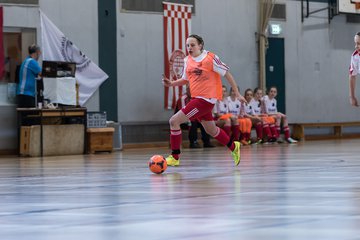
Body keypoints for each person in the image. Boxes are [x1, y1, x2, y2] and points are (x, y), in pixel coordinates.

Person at [162, 34, 245, 166]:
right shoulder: (187, 60)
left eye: (193, 45)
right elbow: (185, 79)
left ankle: (175, 156)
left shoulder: (210, 58)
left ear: (200, 45)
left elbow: (227, 74)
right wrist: (171, 83)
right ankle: (234, 147)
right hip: (196, 98)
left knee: (174, 121)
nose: (189, 47)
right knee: (211, 130)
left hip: (205, 100)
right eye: (188, 45)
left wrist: (237, 93)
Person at [349, 32, 360, 107]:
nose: (356, 46)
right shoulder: (355, 56)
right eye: (355, 43)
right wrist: (352, 96)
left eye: (358, 43)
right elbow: (352, 76)